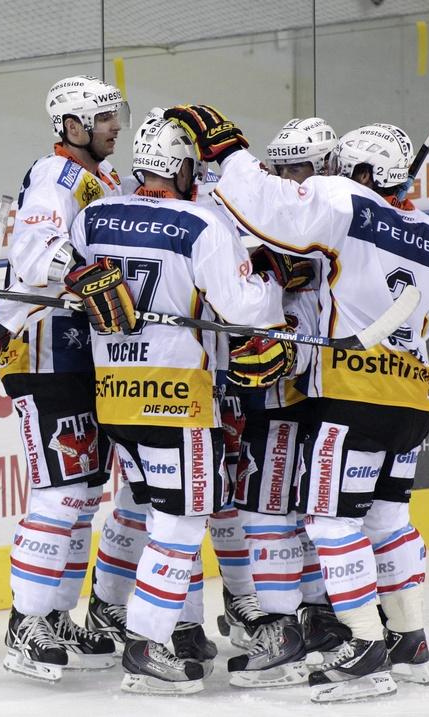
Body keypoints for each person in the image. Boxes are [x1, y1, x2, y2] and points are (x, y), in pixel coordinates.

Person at [166, 105, 429, 701]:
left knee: (329, 521)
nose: (334, 175)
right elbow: (424, 319)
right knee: (387, 519)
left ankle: (366, 650)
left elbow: (272, 210)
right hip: (412, 394)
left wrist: (227, 151)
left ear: (365, 172)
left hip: (350, 395)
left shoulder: (348, 202)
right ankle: (409, 641)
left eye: (347, 168)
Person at [63, 113, 290, 694]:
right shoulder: (200, 223)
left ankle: (149, 627)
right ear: (184, 167)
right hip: (179, 399)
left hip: (114, 395)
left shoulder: (93, 216)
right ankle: (147, 644)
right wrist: (271, 279)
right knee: (182, 523)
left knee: (152, 510)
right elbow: (244, 310)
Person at [0, 74, 129, 682]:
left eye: (115, 115)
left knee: (82, 497)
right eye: (103, 118)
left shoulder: (105, 180)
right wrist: (81, 273)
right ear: (72, 128)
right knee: (61, 493)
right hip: (46, 358)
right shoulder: (55, 178)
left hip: (86, 359)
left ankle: (52, 614)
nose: (115, 127)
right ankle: (24, 625)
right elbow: (34, 259)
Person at [221, 117, 339, 688]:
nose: (291, 179)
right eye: (282, 167)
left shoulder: (330, 216)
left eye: (302, 167)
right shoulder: (287, 219)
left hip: (295, 395)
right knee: (299, 512)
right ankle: (319, 618)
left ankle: (280, 632)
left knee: (268, 511)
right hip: (295, 392)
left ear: (329, 166)